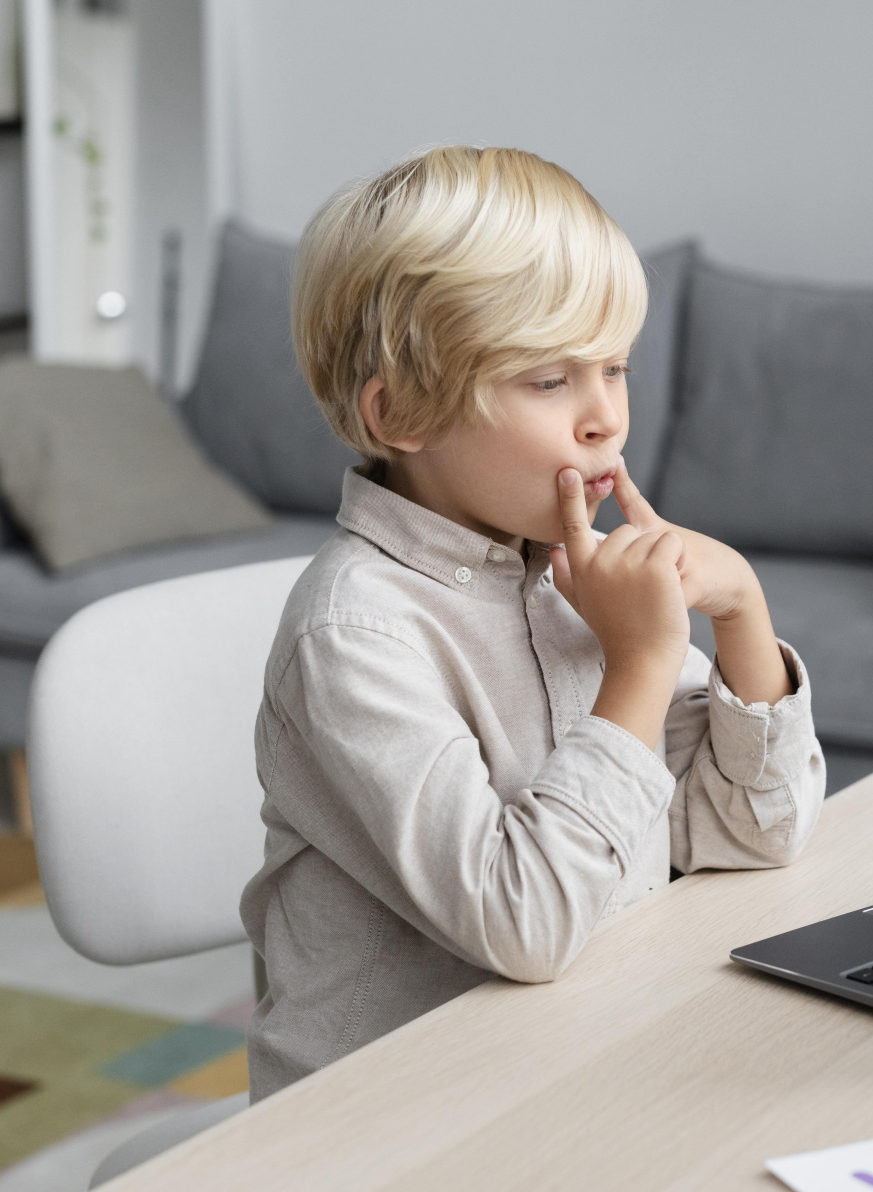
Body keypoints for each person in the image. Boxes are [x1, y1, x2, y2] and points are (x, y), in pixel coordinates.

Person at [240, 145, 827, 1099]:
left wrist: (742, 615)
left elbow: (754, 831)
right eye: (550, 381)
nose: (606, 420)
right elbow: (525, 924)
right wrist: (640, 665)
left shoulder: (568, 576)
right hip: (397, 1118)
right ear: (403, 416)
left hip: (589, 1060)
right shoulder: (355, 636)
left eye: (614, 368)